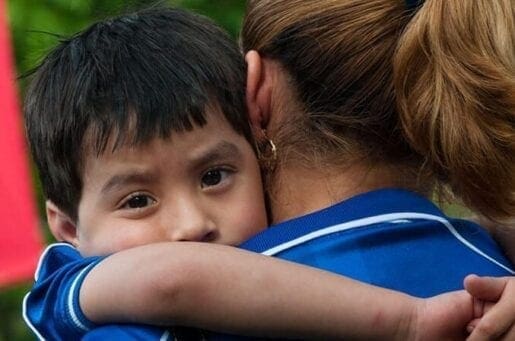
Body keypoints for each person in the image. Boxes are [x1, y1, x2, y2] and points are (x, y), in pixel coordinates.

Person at [22, 7, 483, 340]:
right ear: (67, 229)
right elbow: (171, 281)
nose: (191, 225)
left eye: (214, 176)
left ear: (255, 111)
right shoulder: (79, 297)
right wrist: (408, 321)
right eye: (138, 201)